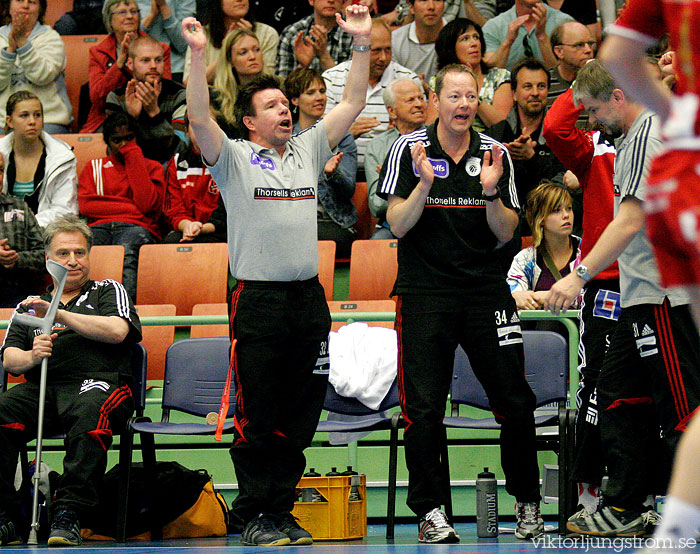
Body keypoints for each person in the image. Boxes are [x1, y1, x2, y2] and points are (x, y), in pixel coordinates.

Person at [181, 4, 371, 546]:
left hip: (308, 300)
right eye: (272, 106)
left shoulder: (310, 149)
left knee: (301, 411)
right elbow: (198, 119)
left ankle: (276, 510)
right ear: (249, 121)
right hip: (257, 299)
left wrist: (359, 42)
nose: (286, 112)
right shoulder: (233, 158)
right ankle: (256, 511)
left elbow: (354, 100)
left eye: (287, 104)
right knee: (259, 413)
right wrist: (198, 56)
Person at [378, 63, 543, 543]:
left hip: (485, 292)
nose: (464, 105)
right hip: (425, 293)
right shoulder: (407, 150)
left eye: (471, 96)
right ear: (436, 99)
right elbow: (398, 225)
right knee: (423, 408)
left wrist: (491, 193)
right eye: (454, 96)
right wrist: (425, 185)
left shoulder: (496, 154)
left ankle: (528, 503)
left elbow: (507, 233)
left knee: (515, 400)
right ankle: (432, 511)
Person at [545, 60, 700, 538]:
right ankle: (625, 504)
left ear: (617, 97)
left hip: (662, 294)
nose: (591, 123)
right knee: (618, 397)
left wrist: (578, 275)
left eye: (592, 110)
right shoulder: (638, 135)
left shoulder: (648, 134)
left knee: (684, 408)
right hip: (638, 296)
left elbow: (630, 221)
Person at [0, 215, 141, 547]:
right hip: (42, 388)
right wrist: (33, 356)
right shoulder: (29, 306)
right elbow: (9, 359)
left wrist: (58, 314)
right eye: (63, 253)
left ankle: (69, 513)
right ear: (48, 259)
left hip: (99, 382)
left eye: (80, 252)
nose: (73, 261)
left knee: (91, 409)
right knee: (2, 409)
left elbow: (118, 331)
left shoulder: (109, 290)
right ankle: (6, 515)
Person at [541, 76, 619, 521]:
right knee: (596, 390)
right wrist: (582, 84)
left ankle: (645, 497)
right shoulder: (595, 148)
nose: (592, 117)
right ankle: (589, 496)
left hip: (661, 280)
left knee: (662, 395)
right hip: (606, 284)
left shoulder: (661, 136)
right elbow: (554, 128)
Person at [78, 112, 165, 301]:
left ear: (137, 137)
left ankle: (125, 312)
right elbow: (86, 206)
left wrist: (134, 156)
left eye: (129, 138)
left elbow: (147, 203)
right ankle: (88, 312)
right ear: (108, 142)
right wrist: (132, 209)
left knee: (128, 251)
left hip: (136, 229)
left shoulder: (152, 167)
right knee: (84, 254)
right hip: (99, 227)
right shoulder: (93, 167)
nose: (123, 145)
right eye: (117, 140)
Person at [323, 18, 420, 167]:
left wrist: (400, 135)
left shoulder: (408, 80)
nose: (383, 58)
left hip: (394, 167)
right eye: (376, 51)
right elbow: (318, 138)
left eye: (388, 49)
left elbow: (423, 133)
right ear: (359, 47)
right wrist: (347, 134)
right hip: (339, 169)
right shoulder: (331, 79)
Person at [285, 67, 358, 258]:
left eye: (322, 91)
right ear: (295, 100)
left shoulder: (343, 137)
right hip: (295, 223)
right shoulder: (284, 138)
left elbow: (349, 188)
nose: (320, 97)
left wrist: (332, 173)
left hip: (333, 222)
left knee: (301, 241)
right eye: (311, 93)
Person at [82, 0, 173, 133]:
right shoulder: (98, 52)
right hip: (107, 118)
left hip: (150, 111)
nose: (130, 16)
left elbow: (164, 90)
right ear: (109, 20)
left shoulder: (160, 49)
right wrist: (119, 63)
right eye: (122, 12)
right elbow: (97, 98)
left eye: (134, 11)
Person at [0, 91, 78, 228]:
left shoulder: (62, 157)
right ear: (9, 121)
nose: (32, 121)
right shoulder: (0, 153)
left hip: (47, 234)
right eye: (24, 115)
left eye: (37, 115)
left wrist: (27, 224)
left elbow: (66, 211)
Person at [105, 35, 186, 163]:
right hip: (131, 167)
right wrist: (132, 119)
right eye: (145, 60)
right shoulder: (116, 98)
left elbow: (181, 151)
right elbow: (114, 153)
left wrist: (155, 114)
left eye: (158, 60)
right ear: (130, 64)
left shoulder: (178, 95)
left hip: (169, 169)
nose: (153, 66)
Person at [365, 78, 426, 239]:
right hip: (392, 226)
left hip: (434, 223)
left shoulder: (438, 138)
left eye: (421, 98)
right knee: (376, 247)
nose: (419, 104)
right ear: (392, 111)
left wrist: (394, 182)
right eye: (410, 100)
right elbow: (377, 206)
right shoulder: (377, 146)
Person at [428, 17, 512, 133]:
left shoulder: (500, 76)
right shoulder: (438, 80)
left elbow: (502, 125)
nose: (474, 43)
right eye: (465, 38)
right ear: (451, 48)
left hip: (491, 143)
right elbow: (430, 124)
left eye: (476, 37)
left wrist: (471, 92)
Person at [0, 0, 72, 133]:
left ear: (40, 10)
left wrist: (22, 43)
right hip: (4, 121)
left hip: (48, 120)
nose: (25, 6)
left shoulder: (52, 38)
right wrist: (10, 50)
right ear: (8, 7)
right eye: (20, 0)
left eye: (32, 2)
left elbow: (42, 76)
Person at [508, 181, 580, 310]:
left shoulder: (587, 252)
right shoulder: (525, 259)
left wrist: (547, 297)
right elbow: (512, 294)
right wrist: (515, 297)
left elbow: (593, 295)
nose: (566, 215)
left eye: (569, 208)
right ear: (540, 219)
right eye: (556, 210)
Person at [183, 0, 278, 84]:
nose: (240, 0)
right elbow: (189, 83)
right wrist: (226, 49)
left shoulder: (267, 33)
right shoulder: (200, 36)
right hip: (215, 99)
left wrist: (249, 39)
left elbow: (269, 79)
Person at [163, 113, 222, 244]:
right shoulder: (177, 163)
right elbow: (173, 209)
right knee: (170, 243)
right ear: (186, 132)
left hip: (218, 231)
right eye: (196, 125)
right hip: (187, 229)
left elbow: (228, 213)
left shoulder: (229, 160)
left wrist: (201, 228)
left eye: (208, 123)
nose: (202, 131)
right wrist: (188, 226)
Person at [0, 152, 46, 308]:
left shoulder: (19, 208)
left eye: (0, 170)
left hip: (17, 293)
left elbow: (45, 256)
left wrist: (16, 260)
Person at [482, 0, 574, 71]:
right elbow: (490, 75)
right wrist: (507, 43)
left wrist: (542, 37)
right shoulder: (493, 27)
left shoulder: (565, 23)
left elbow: (566, 74)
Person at [275, 0, 353, 79]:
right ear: (311, 1)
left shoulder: (355, 33)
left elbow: (353, 86)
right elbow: (282, 86)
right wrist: (302, 67)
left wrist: (324, 55)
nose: (331, 0)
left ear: (343, 2)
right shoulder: (293, 32)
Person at [211, 28, 266, 133]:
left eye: (257, 50)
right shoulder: (217, 98)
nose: (252, 57)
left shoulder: (277, 88)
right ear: (230, 60)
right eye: (243, 52)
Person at [137, 0, 196, 83]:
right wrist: (151, 16)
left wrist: (164, 8)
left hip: (177, 69)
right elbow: (131, 41)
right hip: (141, 70)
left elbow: (184, 45)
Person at [390, 0, 444, 82]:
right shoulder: (394, 41)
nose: (431, 7)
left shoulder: (458, 37)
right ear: (411, 7)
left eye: (437, 0)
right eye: (423, 0)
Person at [547, 21, 595, 109]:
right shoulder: (544, 84)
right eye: (579, 45)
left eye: (590, 44)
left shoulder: (602, 81)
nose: (588, 50)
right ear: (559, 51)